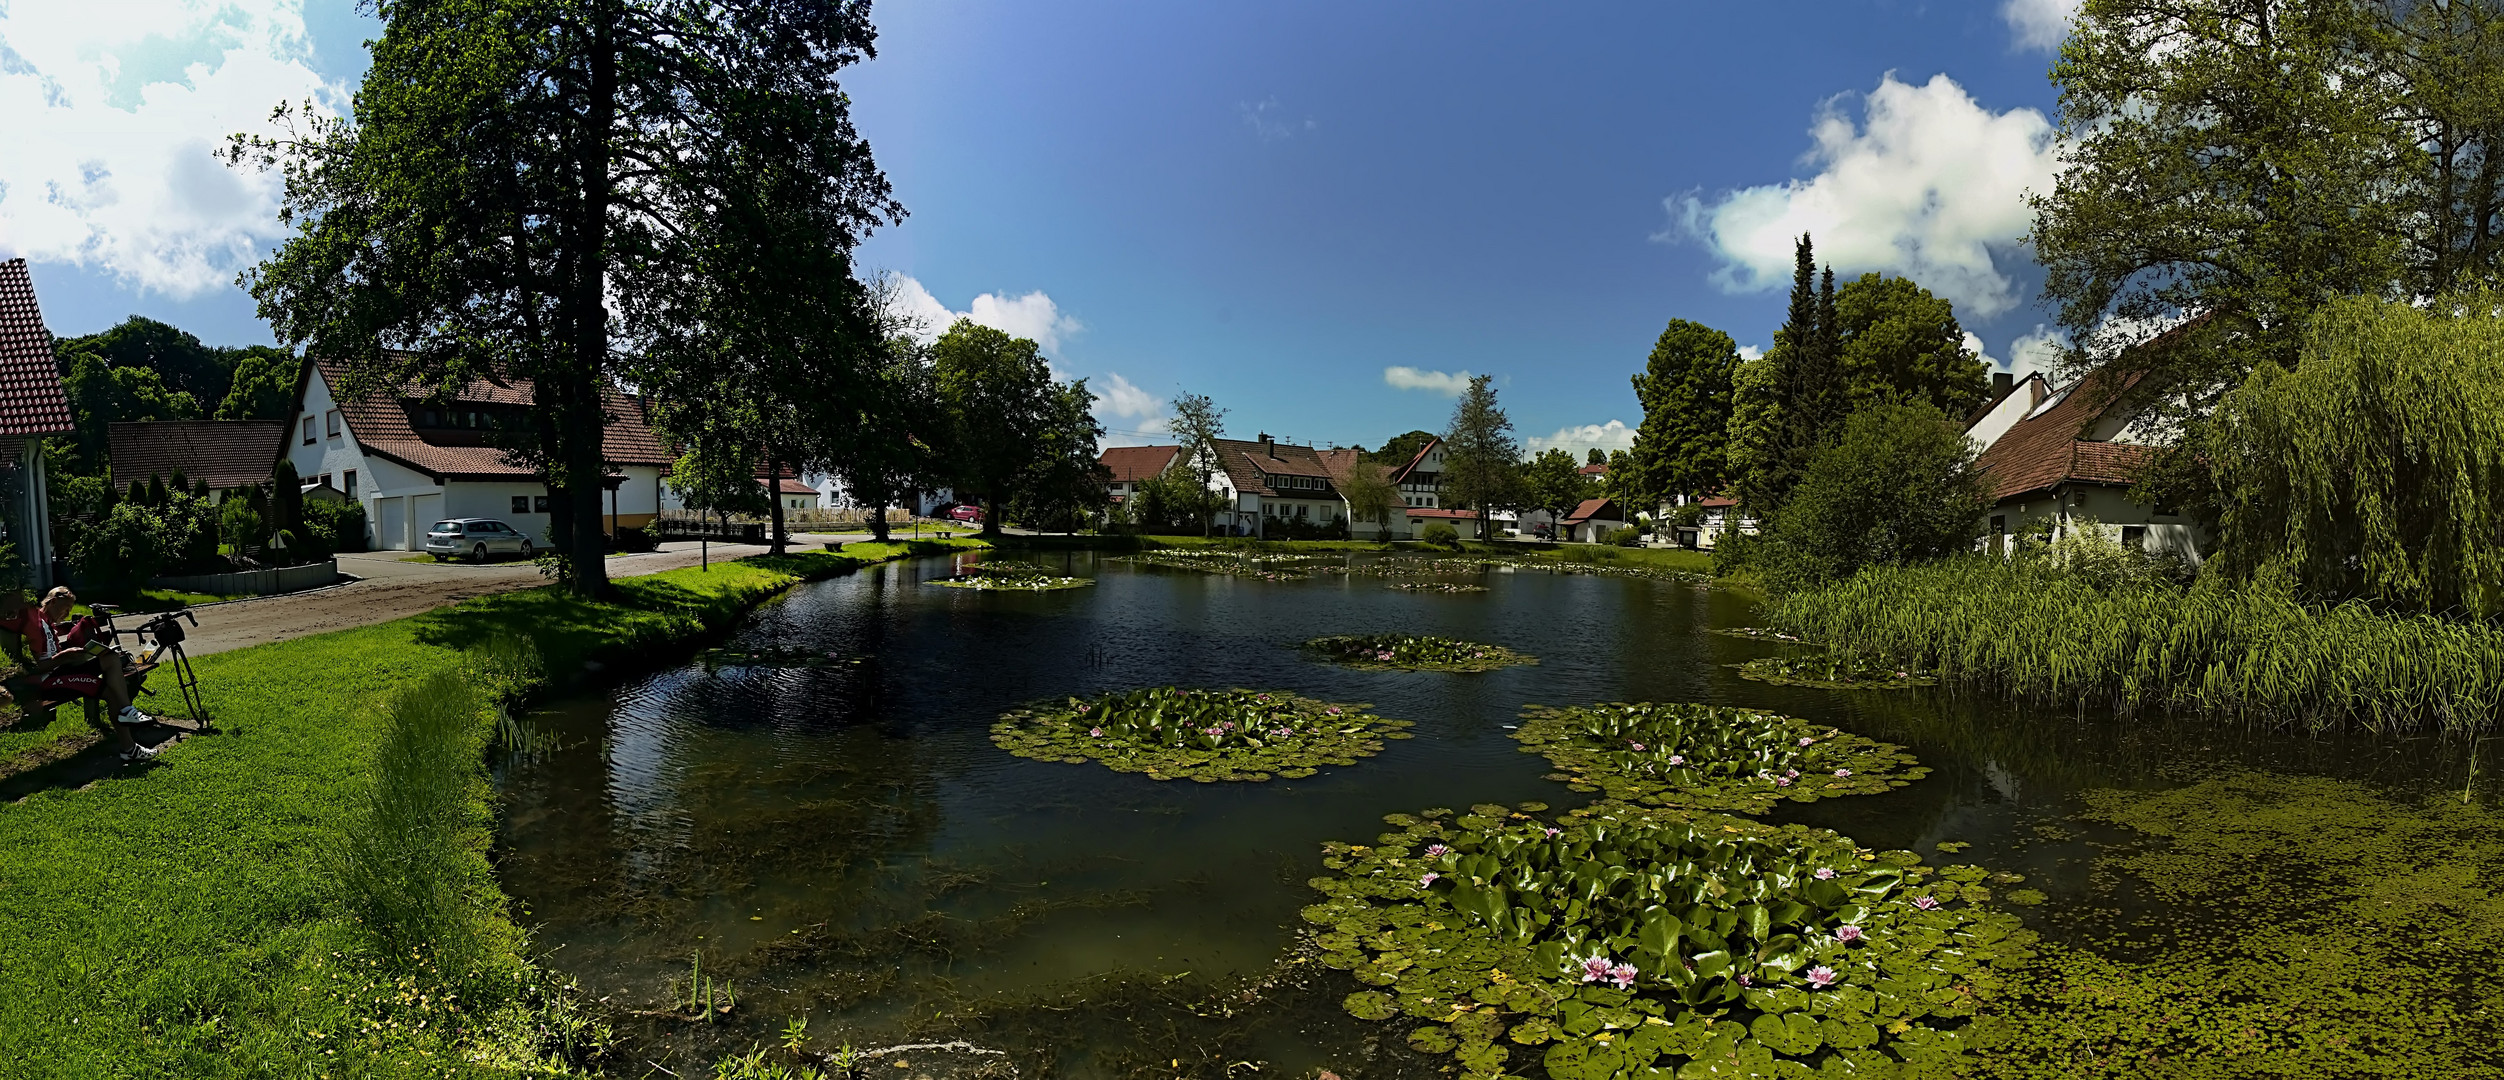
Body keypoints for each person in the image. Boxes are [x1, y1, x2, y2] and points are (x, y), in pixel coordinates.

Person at [0, 587, 157, 762]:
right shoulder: (33, 620)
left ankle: (128, 710)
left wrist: (75, 655)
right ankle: (129, 747)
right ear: (53, 601)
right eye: (65, 608)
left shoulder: (47, 622)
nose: (67, 614)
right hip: (47, 681)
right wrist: (65, 656)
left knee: (110, 657)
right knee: (110, 692)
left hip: (61, 671)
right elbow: (37, 667)